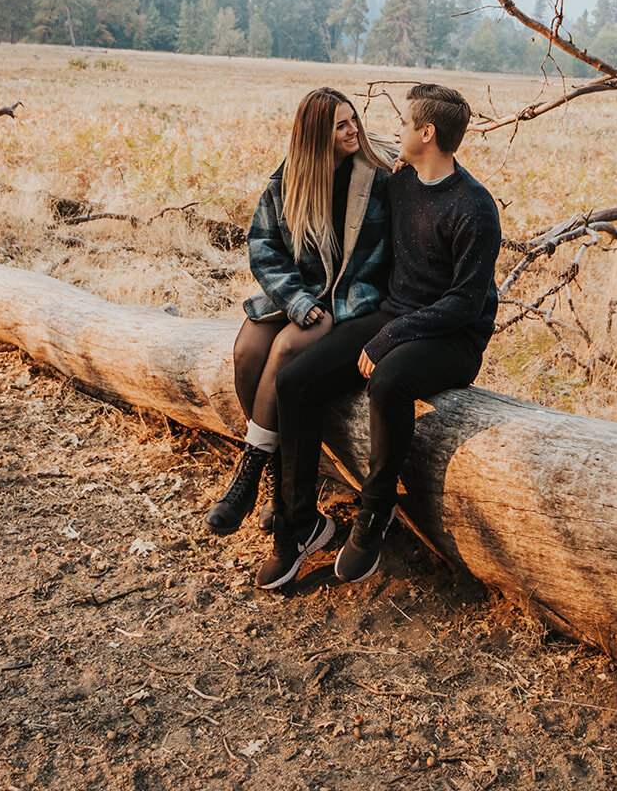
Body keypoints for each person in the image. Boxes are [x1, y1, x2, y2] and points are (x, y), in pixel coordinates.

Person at [256, 81, 501, 589]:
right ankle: (298, 525)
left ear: (427, 133)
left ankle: (375, 513)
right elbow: (328, 176)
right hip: (395, 313)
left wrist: (390, 337)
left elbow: (465, 302)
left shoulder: (474, 207)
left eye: (406, 123)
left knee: (388, 382)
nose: (396, 129)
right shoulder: (402, 180)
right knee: (294, 381)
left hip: (455, 336)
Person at [204, 86, 392, 536]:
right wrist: (297, 300)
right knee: (247, 352)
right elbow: (263, 248)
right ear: (316, 135)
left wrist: (319, 306)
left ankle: (248, 473)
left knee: (287, 348)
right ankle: (277, 480)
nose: (353, 130)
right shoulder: (289, 178)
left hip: (348, 300)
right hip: (296, 296)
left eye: (354, 120)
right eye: (340, 125)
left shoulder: (376, 175)